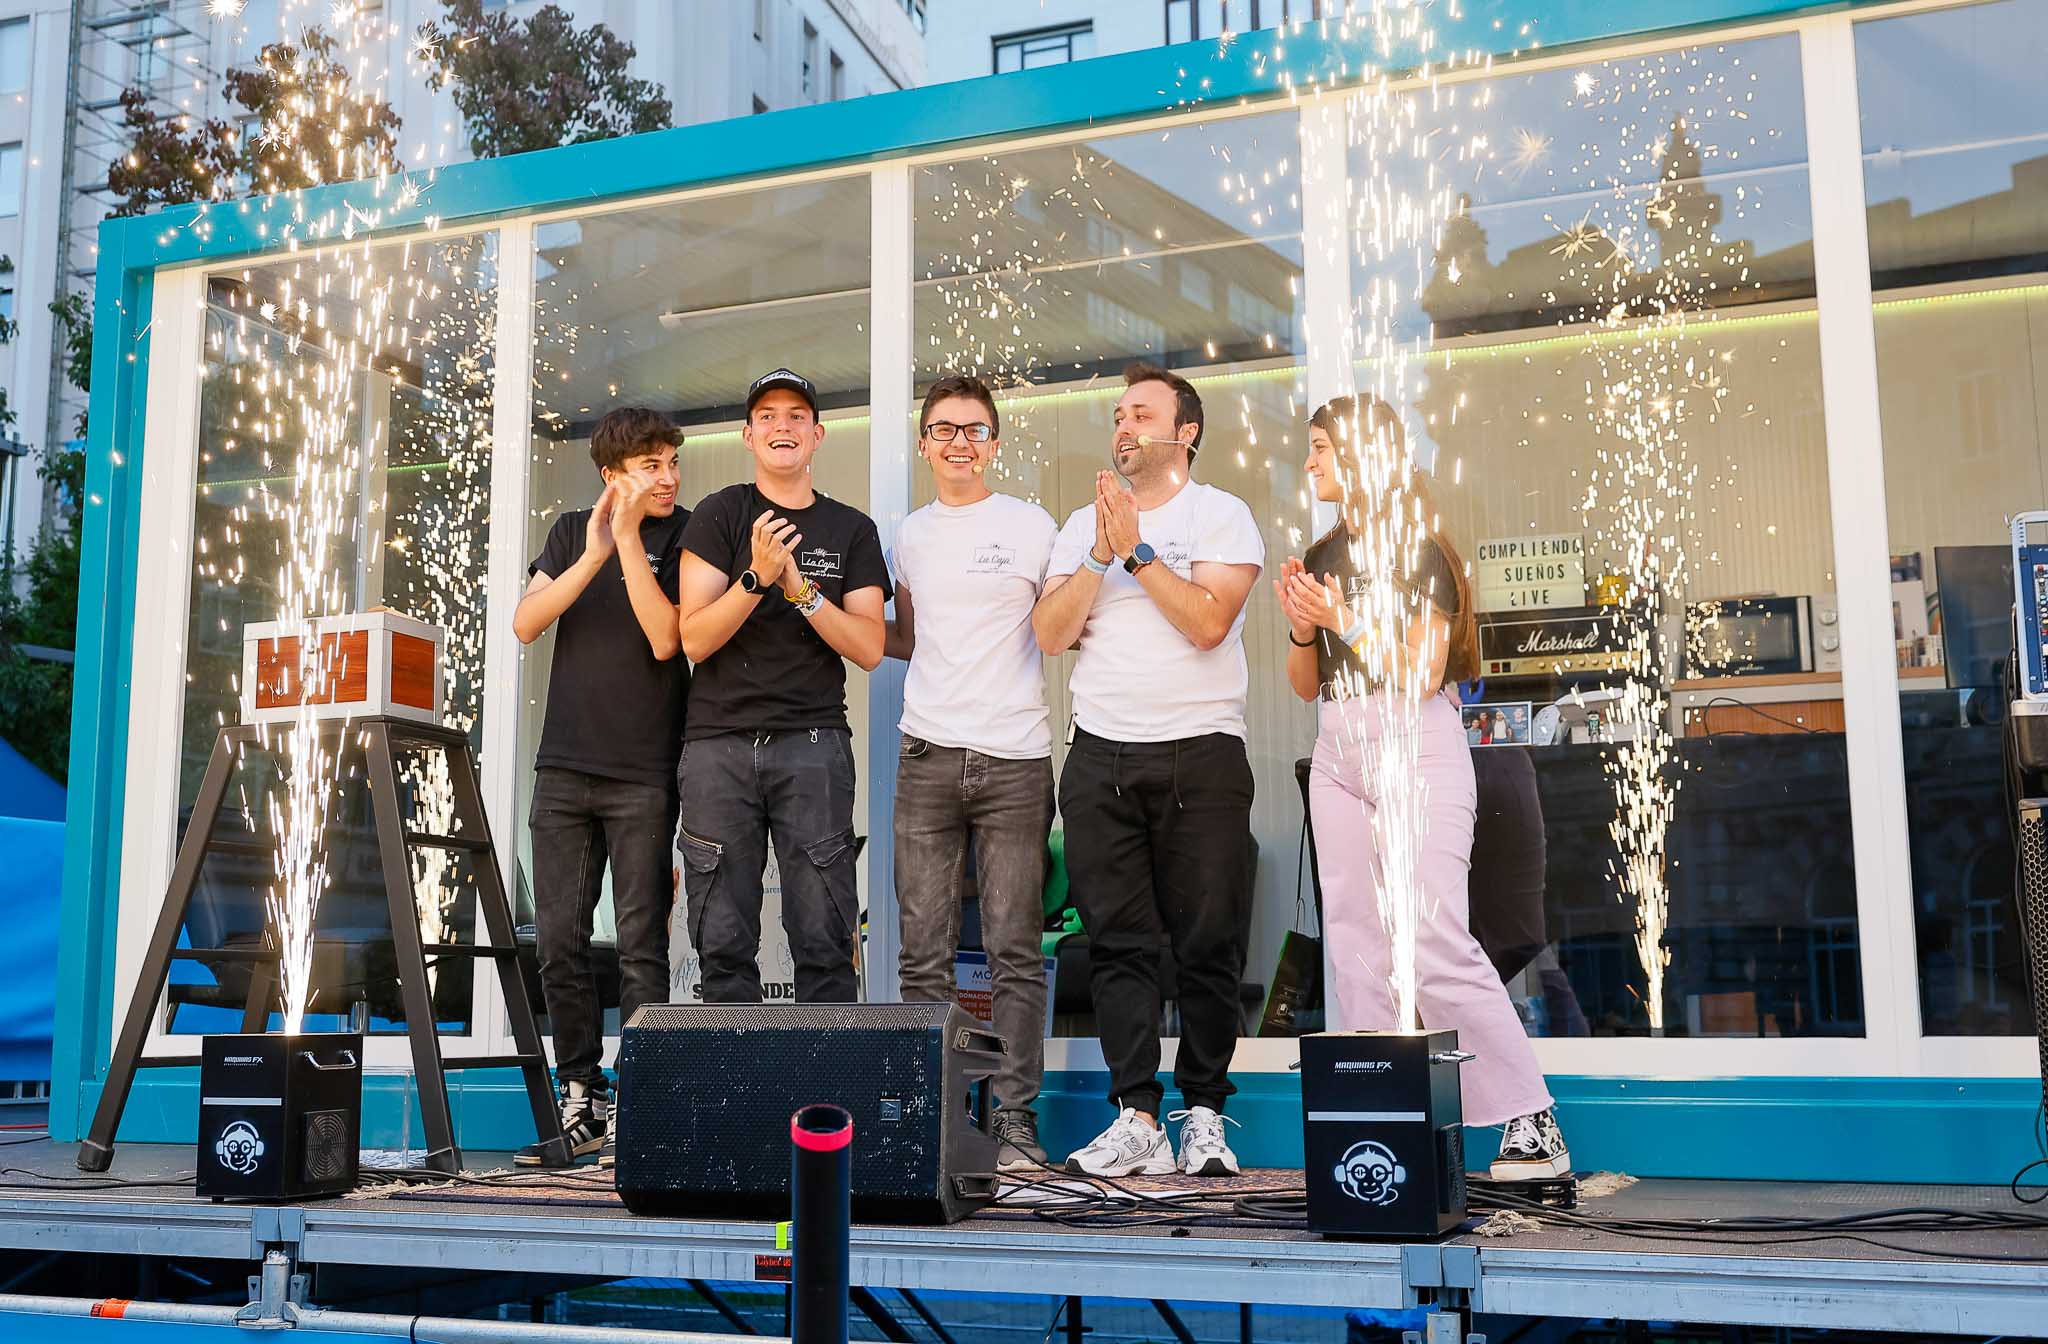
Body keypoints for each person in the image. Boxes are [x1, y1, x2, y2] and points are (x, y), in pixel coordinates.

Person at [1277, 394, 1571, 1181]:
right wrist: (1307, 625)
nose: (1309, 464)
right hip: (1339, 748)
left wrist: (1343, 618)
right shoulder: (1325, 551)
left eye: (1320, 449)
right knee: (1357, 951)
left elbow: (1423, 666)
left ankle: (1530, 1121)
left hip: (1414, 742)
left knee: (1433, 937)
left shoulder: (1422, 552)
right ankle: (1385, 1132)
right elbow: (1304, 684)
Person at [1032, 362, 1265, 1178]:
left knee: (1207, 943)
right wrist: (1099, 553)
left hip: (1201, 750)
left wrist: (1135, 554)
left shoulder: (1221, 515)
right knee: (1118, 946)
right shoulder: (1080, 526)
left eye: (1141, 413)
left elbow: (1207, 623)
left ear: (1186, 432)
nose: (1124, 426)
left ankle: (1204, 1112)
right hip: (1102, 755)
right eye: (1119, 415)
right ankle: (1137, 1115)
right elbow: (1052, 635)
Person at [884, 373, 1058, 1171]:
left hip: (1017, 756)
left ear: (995, 442)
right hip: (925, 753)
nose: (960, 442)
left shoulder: (1031, 526)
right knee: (921, 953)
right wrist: (808, 607)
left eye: (974, 430)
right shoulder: (907, 536)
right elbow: (909, 638)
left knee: (1015, 950)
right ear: (925, 444)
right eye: (945, 430)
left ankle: (1015, 1120)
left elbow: (1058, 627)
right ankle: (936, 1119)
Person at [675, 369, 890, 1005]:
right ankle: (734, 1100)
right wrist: (756, 577)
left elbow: (869, 647)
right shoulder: (720, 514)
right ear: (748, 435)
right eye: (767, 416)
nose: (782, 426)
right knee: (720, 938)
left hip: (813, 743)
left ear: (819, 434)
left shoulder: (851, 529)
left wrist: (799, 589)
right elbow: (694, 639)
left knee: (825, 934)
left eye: (796, 416)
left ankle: (822, 1103)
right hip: (718, 744)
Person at [510, 407, 689, 1166]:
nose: (669, 476)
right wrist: (593, 554)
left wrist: (627, 547)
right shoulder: (568, 529)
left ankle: (642, 1105)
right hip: (564, 770)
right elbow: (526, 623)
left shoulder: (689, 535)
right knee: (558, 942)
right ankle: (580, 1094)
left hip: (644, 771)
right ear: (613, 475)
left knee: (643, 946)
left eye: (672, 461)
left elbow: (665, 638)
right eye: (652, 465)